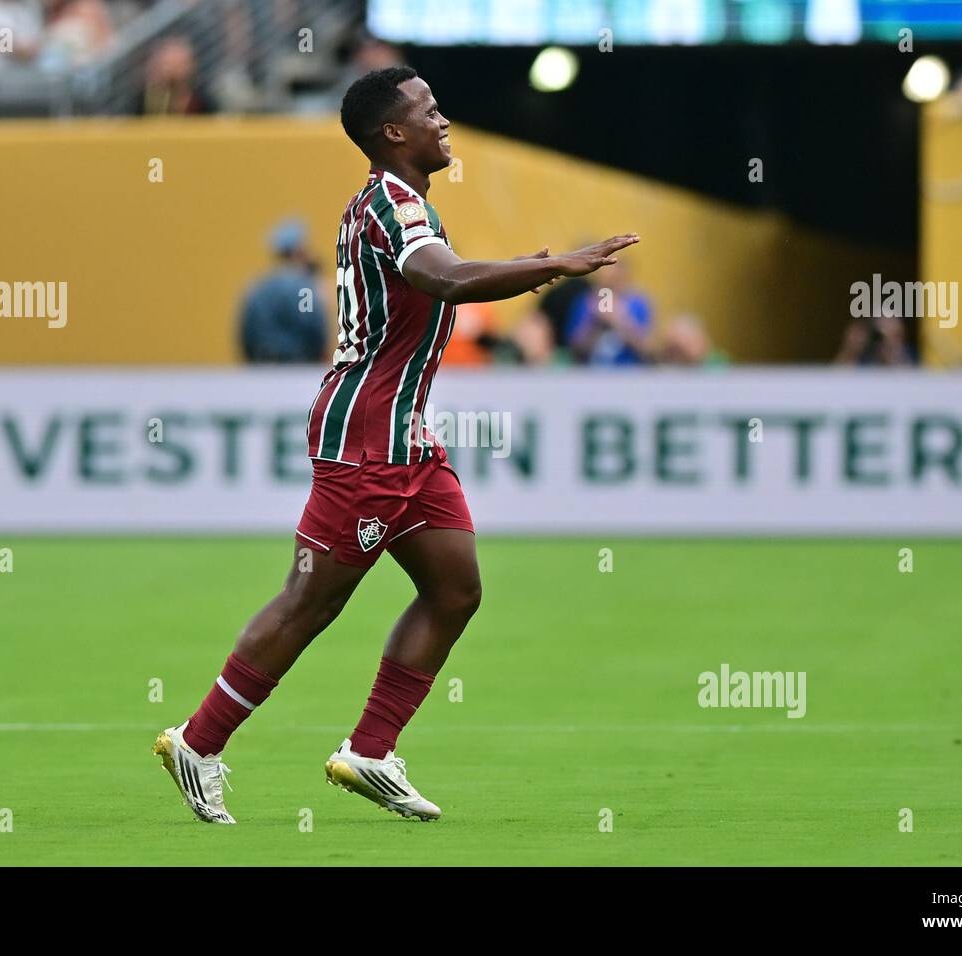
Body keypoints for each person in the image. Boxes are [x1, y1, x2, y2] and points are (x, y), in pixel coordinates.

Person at [153, 65, 638, 824]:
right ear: (393, 132)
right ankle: (199, 742)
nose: (443, 120)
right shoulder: (389, 203)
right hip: (367, 443)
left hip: (407, 439)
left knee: (455, 589)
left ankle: (371, 751)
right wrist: (552, 265)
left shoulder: (399, 202)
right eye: (429, 110)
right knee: (312, 603)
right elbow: (442, 280)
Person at [237, 219, 328, 364]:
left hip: (261, 365)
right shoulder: (304, 288)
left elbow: (246, 331)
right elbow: (311, 324)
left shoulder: (259, 287)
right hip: (297, 364)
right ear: (298, 251)